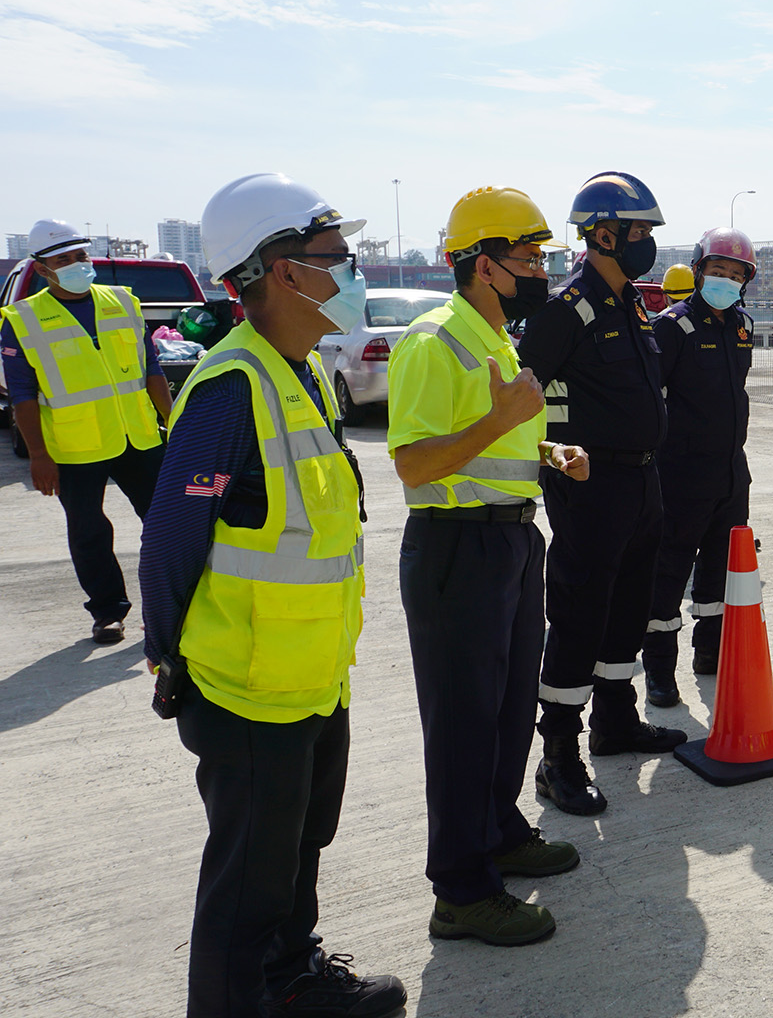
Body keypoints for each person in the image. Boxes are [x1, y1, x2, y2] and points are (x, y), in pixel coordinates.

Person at [141, 173, 404, 1017]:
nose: (352, 273)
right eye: (339, 258)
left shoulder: (305, 373)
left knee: (298, 851)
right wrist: (164, 652)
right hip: (246, 684)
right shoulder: (231, 389)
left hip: (313, 674)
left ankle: (292, 983)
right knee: (247, 884)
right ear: (283, 271)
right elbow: (173, 537)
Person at [388, 186, 589, 946]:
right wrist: (505, 420)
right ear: (481, 265)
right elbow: (414, 464)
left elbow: (487, 442)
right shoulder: (433, 341)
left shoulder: (497, 338)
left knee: (507, 710)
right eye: (527, 257)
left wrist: (544, 450)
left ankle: (501, 833)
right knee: (465, 723)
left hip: (510, 540)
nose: (539, 270)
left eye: (541, 255)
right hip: (456, 548)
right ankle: (462, 890)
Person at [517, 171, 685, 818]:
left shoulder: (631, 306)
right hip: (590, 487)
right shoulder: (568, 312)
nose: (648, 243)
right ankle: (559, 754)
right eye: (641, 231)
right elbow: (524, 401)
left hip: (644, 480)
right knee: (581, 616)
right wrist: (552, 457)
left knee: (630, 608)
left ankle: (618, 720)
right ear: (604, 234)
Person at [1, 218, 171, 643]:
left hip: (139, 436)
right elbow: (22, 394)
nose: (78, 264)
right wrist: (39, 456)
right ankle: (108, 610)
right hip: (76, 447)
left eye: (81, 255)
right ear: (42, 269)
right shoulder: (23, 320)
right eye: (65, 259)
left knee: (165, 521)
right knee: (89, 531)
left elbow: (151, 369)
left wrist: (174, 420)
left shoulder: (122, 301)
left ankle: (171, 603)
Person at [642, 228, 758, 708]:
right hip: (681, 476)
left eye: (736, 274)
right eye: (718, 271)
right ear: (698, 271)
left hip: (731, 475)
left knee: (720, 573)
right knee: (667, 574)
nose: (726, 281)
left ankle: (708, 654)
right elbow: (651, 400)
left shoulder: (741, 325)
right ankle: (659, 674)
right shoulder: (672, 326)